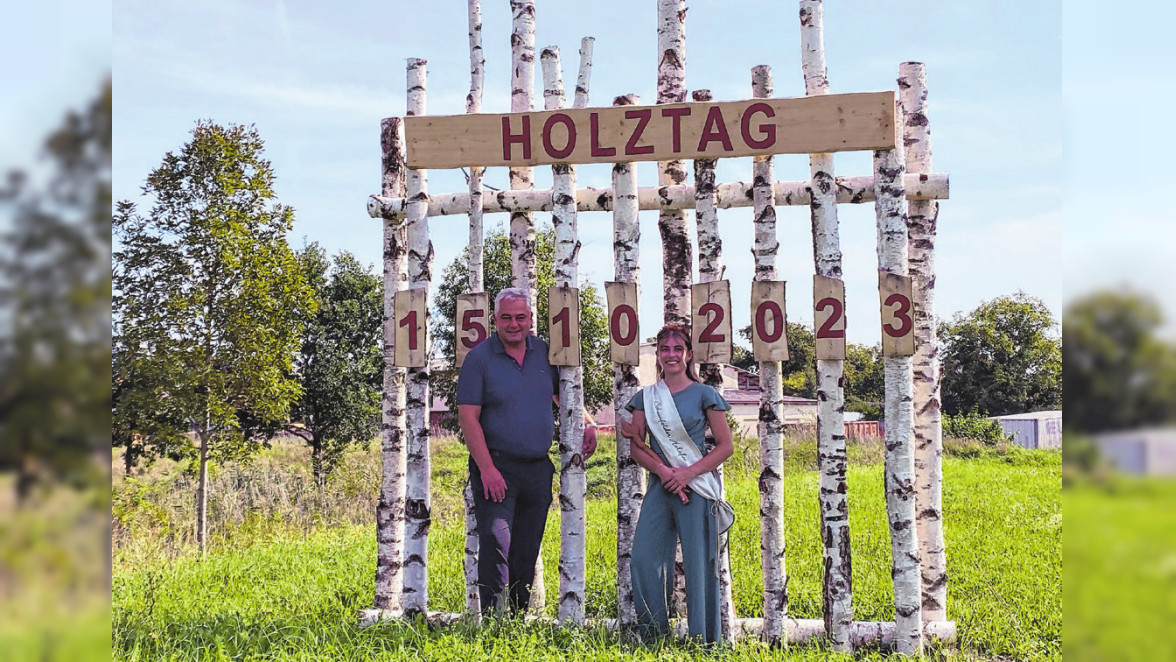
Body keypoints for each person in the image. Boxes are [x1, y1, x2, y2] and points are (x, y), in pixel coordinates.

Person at [456, 287, 598, 614]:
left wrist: (588, 422)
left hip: (537, 468)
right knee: (496, 545)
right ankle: (492, 622)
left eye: (521, 317)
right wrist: (488, 469)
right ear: (495, 320)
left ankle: (517, 620)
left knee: (526, 549)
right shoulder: (479, 359)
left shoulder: (544, 353)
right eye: (506, 317)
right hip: (495, 468)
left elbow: (564, 396)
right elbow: (468, 418)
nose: (514, 324)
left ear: (531, 319)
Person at [620, 324, 735, 643]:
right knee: (643, 559)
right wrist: (665, 472)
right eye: (664, 350)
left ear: (688, 355)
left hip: (697, 490)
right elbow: (636, 446)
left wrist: (686, 473)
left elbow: (726, 446)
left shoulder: (705, 394)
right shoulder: (646, 397)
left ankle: (706, 642)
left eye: (677, 349)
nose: (671, 355)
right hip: (661, 488)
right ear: (657, 355)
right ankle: (654, 637)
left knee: (701, 566)